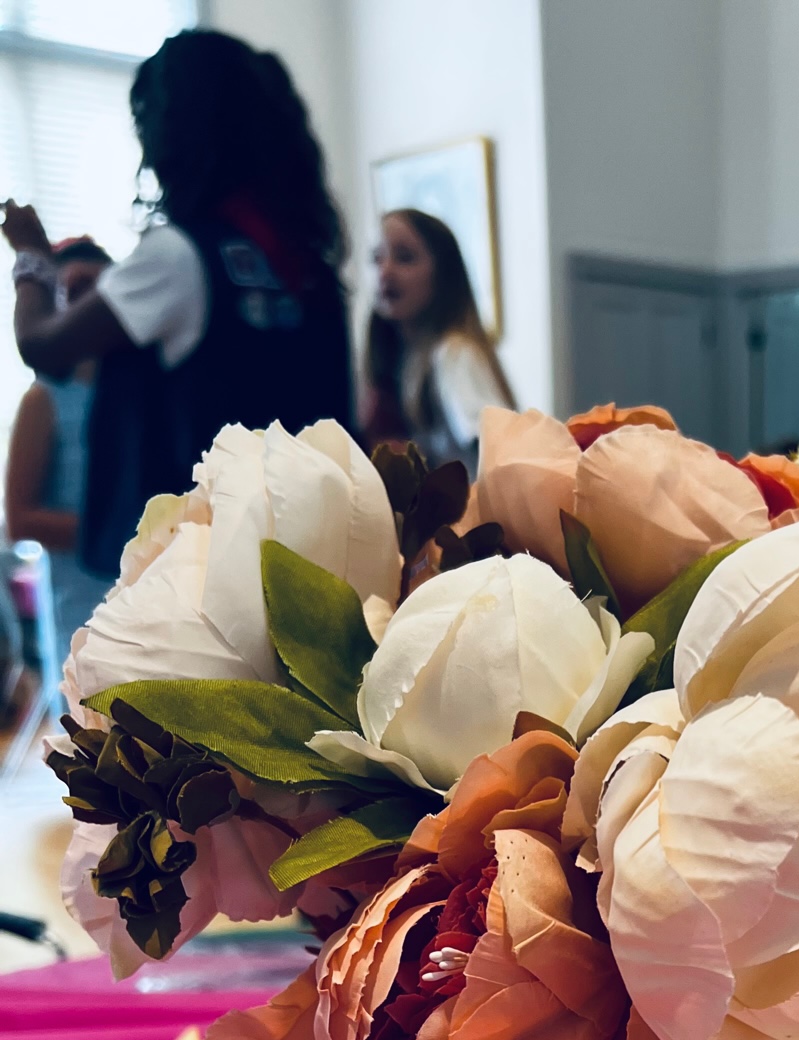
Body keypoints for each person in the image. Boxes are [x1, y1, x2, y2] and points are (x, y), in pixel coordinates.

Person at [4, 28, 353, 580]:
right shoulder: (303, 264)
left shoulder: (177, 255)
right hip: (305, 559)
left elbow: (42, 347)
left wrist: (31, 258)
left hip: (202, 575)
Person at [4, 238, 114, 644]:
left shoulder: (135, 396)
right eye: (75, 292)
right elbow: (19, 519)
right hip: (82, 616)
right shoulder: (44, 399)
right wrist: (123, 528)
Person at [363, 209, 513, 474]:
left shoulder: (455, 354)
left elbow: (498, 449)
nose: (385, 272)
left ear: (444, 275)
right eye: (377, 258)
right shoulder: (400, 358)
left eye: (405, 258)